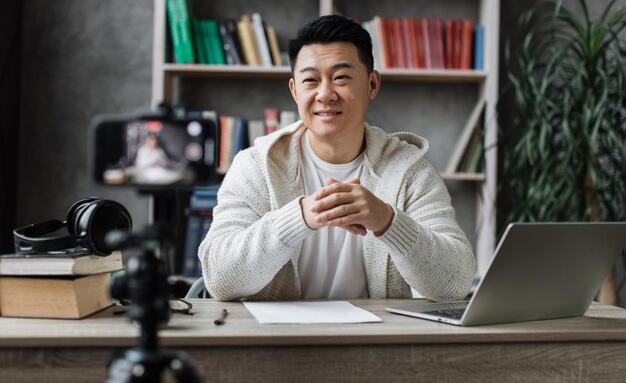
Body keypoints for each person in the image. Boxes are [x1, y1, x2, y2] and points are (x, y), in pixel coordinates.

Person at [199, 15, 475, 301]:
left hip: (376, 341)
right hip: (277, 341)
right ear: (295, 91)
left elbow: (454, 285)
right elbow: (221, 281)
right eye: (310, 80)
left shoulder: (409, 170)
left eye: (341, 78)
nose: (325, 94)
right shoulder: (256, 166)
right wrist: (301, 217)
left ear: (372, 85)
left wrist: (387, 221)